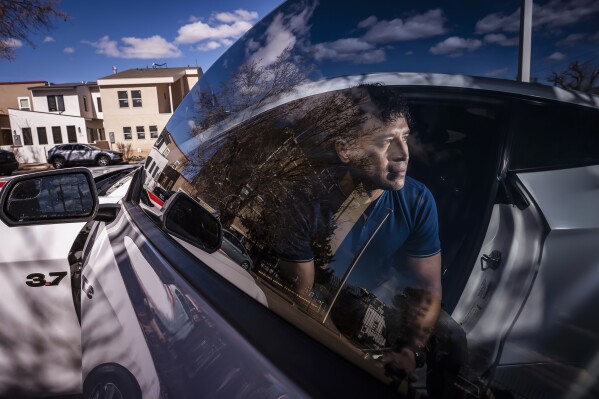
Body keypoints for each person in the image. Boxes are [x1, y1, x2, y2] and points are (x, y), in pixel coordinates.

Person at [274, 85, 443, 384]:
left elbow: (428, 289)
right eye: (386, 141)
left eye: (404, 137)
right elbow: (301, 295)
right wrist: (358, 360)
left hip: (378, 300)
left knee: (453, 339)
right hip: (313, 321)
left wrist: (411, 351)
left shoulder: (418, 201)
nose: (403, 153)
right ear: (346, 149)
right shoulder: (304, 199)